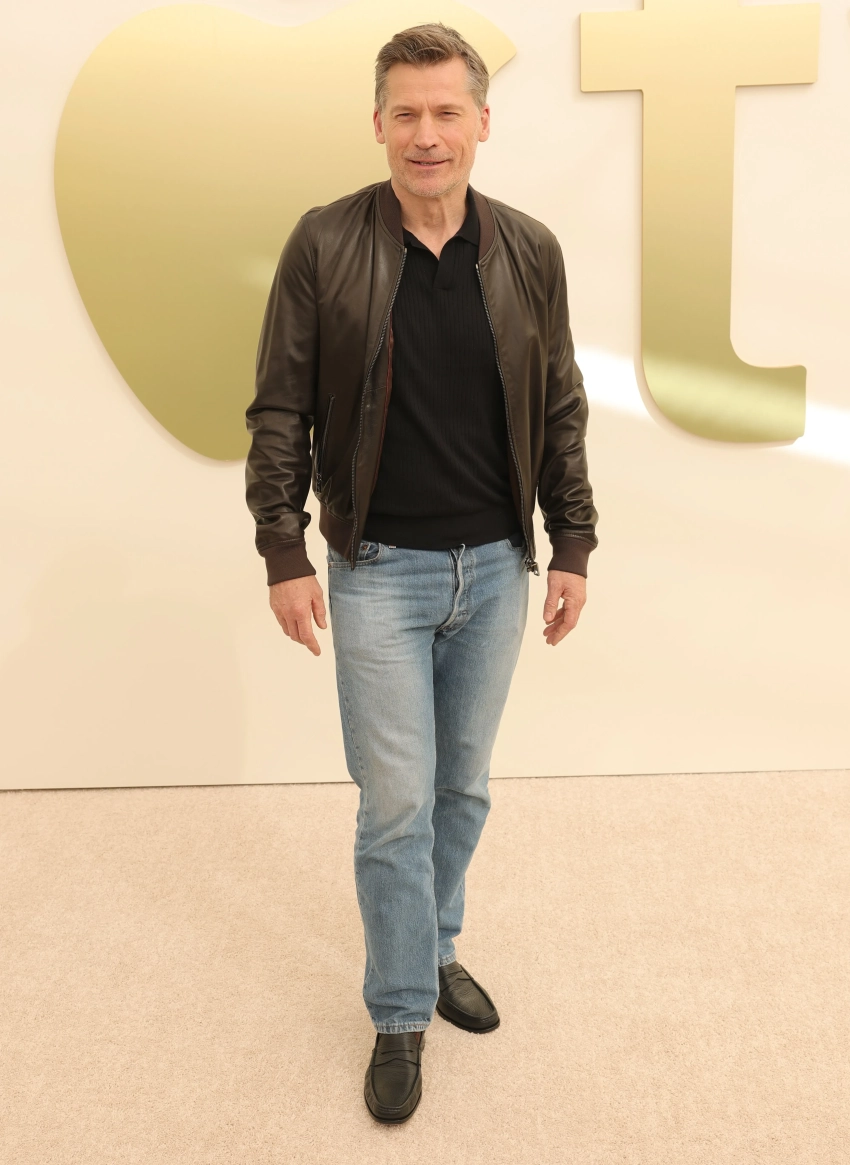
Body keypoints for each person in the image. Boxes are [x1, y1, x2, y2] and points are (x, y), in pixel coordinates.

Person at [244, 23, 598, 1124]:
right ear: (379, 124)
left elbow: (560, 403)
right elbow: (280, 406)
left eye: (447, 112)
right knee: (396, 802)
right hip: (377, 571)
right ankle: (400, 1008)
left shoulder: (529, 249)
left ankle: (434, 946)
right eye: (407, 113)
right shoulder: (325, 242)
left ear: (482, 122)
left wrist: (572, 540)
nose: (427, 134)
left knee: (461, 789)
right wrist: (282, 548)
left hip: (494, 567)